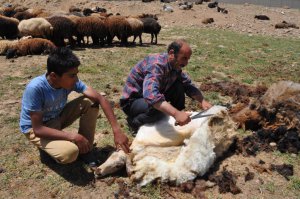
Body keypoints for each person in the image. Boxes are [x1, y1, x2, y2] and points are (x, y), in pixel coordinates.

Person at [19, 47, 130, 167]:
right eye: (72, 75)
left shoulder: (69, 82)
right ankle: (49, 148)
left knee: (90, 101)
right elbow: (38, 129)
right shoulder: (36, 88)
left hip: (56, 118)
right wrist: (72, 136)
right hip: (36, 130)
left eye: (76, 74)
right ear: (54, 76)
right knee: (70, 153)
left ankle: (86, 149)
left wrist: (117, 130)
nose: (76, 79)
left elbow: (100, 98)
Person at [120, 39, 212, 131]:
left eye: (188, 59)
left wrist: (202, 101)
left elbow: (187, 85)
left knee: (179, 85)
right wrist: (175, 113)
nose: (186, 63)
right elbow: (151, 96)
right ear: (172, 53)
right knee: (158, 110)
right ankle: (135, 123)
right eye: (184, 58)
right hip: (132, 101)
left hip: (149, 97)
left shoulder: (175, 65)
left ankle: (177, 117)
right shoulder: (156, 65)